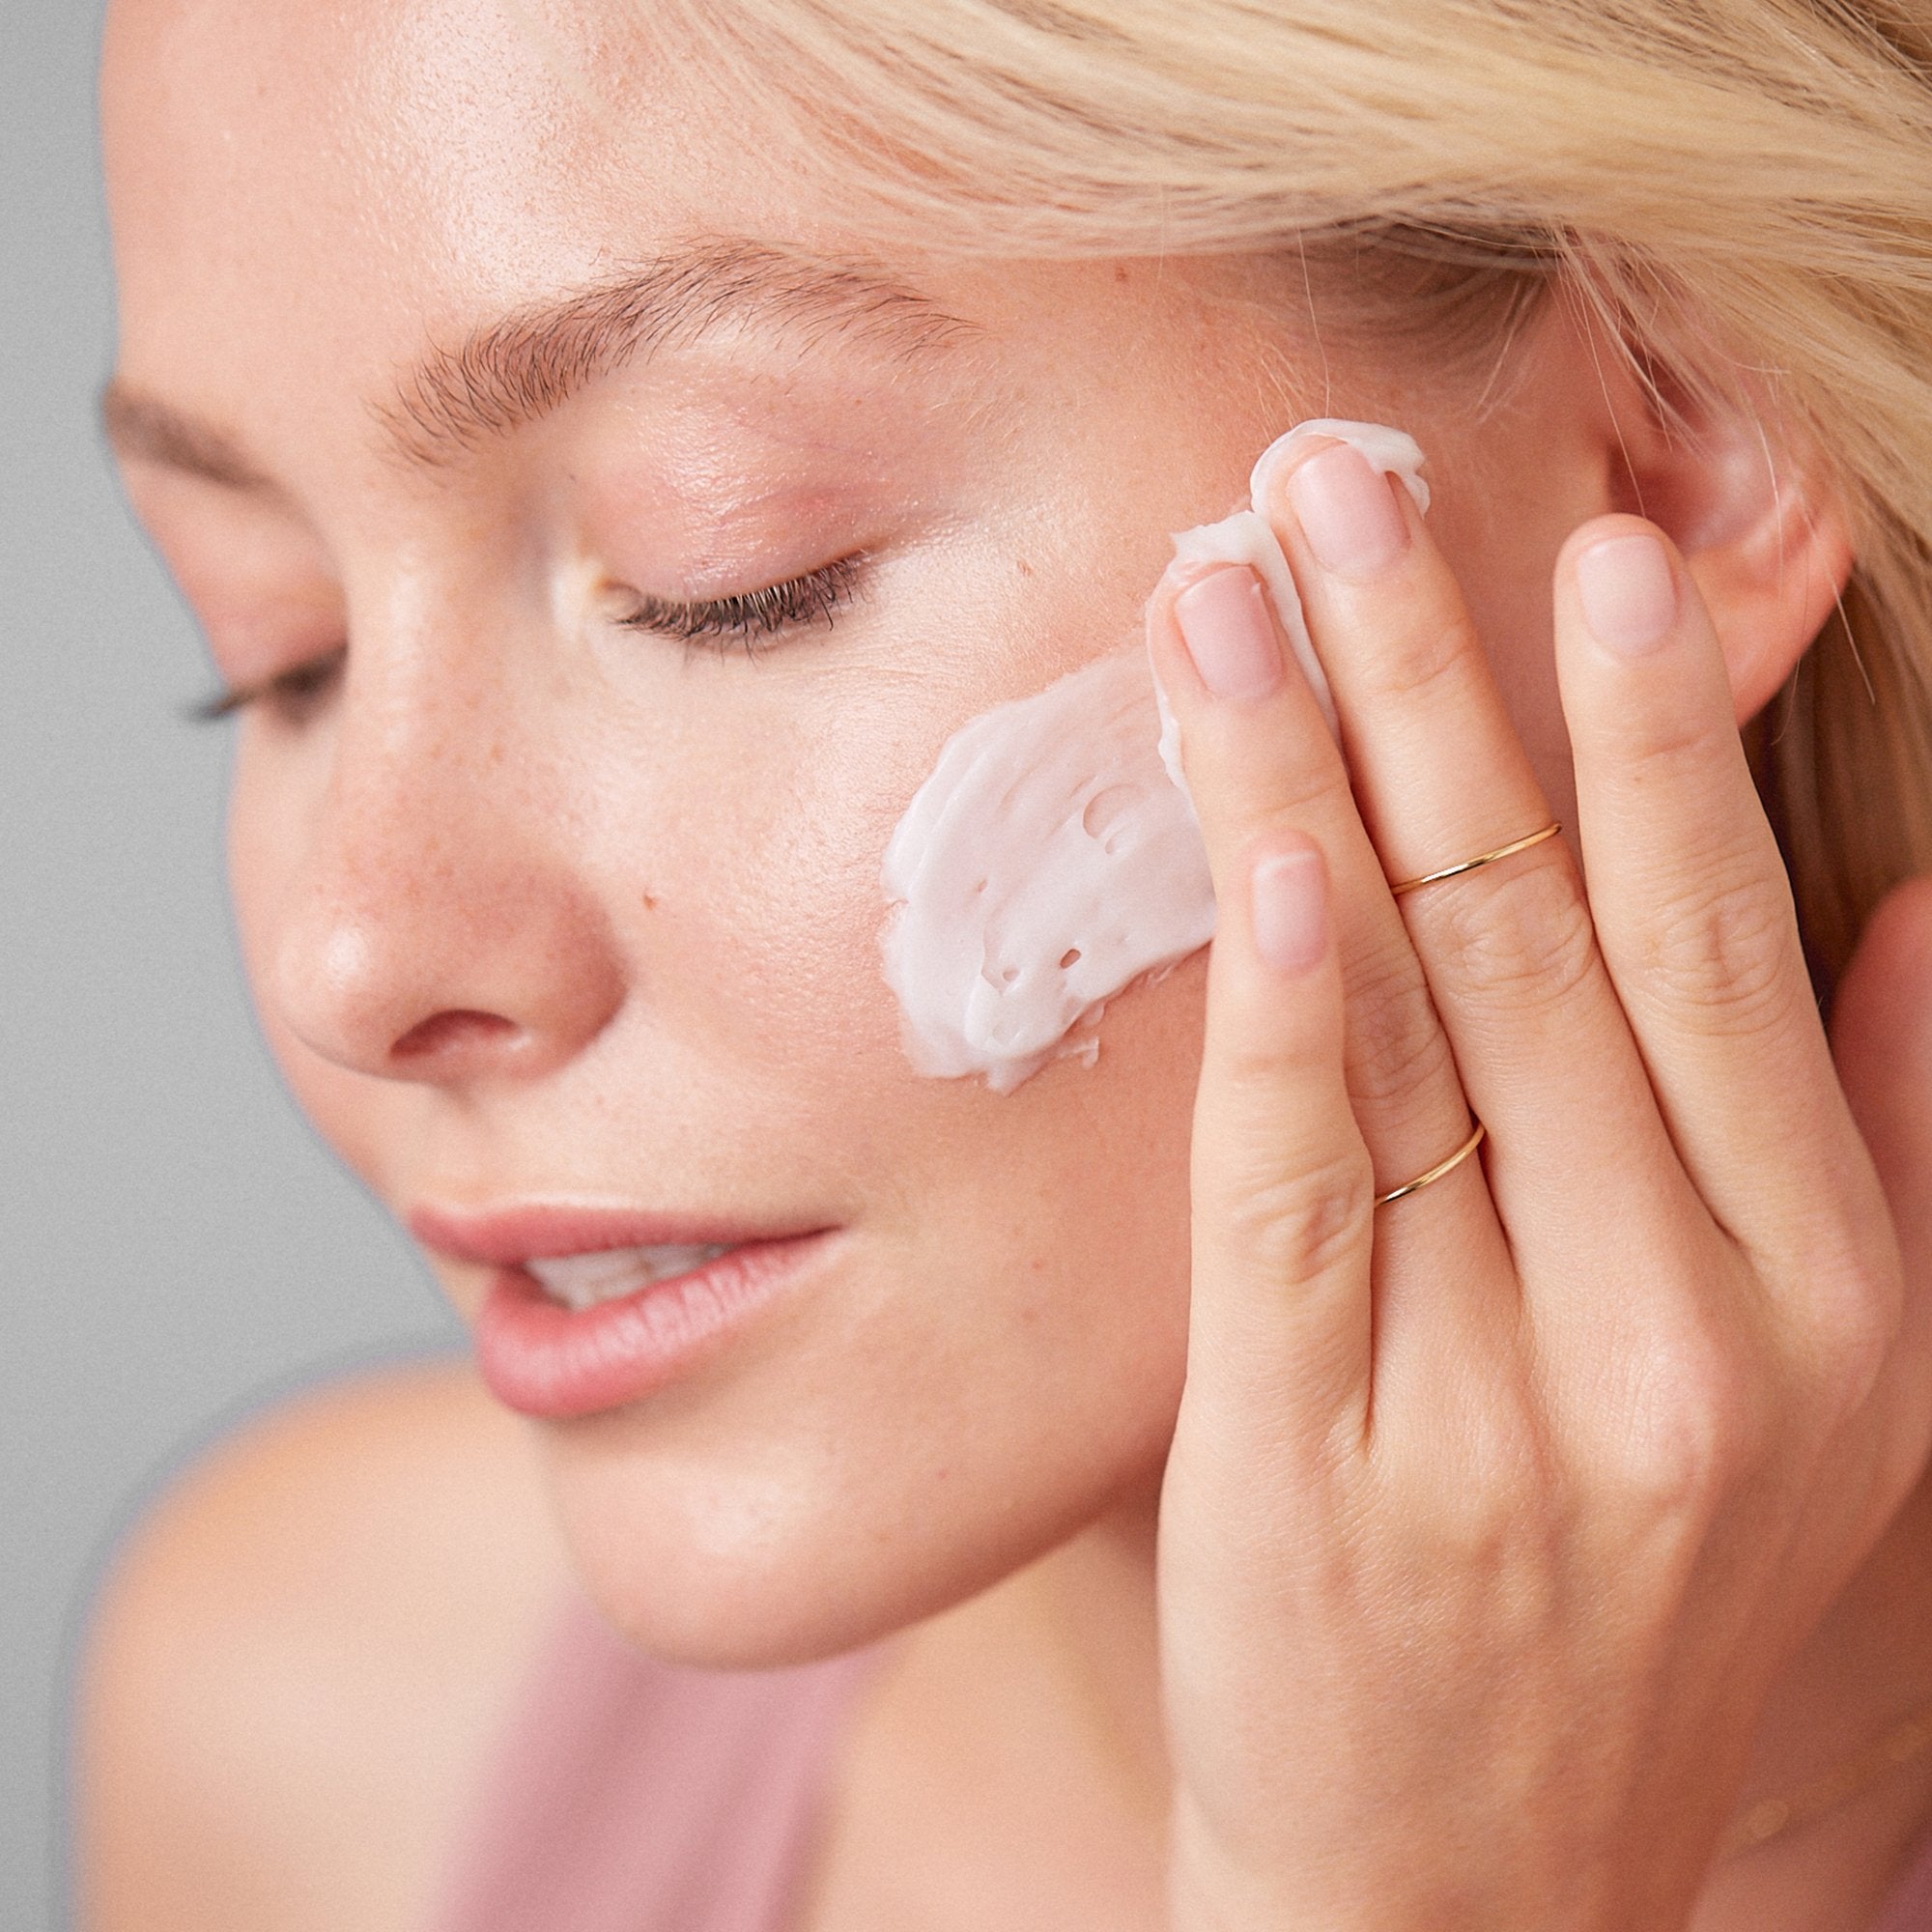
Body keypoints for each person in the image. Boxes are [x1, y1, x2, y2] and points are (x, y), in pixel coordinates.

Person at [75, 0, 1932, 1925]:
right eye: (277, 651)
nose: (352, 956)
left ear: (1670, 465)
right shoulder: (324, 1724)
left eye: (726, 582)